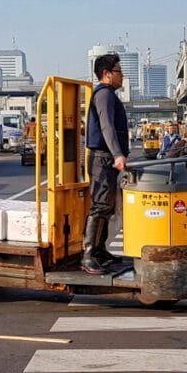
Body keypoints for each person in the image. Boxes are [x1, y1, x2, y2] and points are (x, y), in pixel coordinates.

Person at [82, 54, 130, 275]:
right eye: (119, 71)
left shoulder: (110, 95)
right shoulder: (104, 95)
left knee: (108, 206)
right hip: (102, 158)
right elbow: (106, 127)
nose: (122, 76)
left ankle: (100, 250)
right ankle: (88, 254)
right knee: (100, 205)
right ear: (107, 74)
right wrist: (118, 154)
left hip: (106, 158)